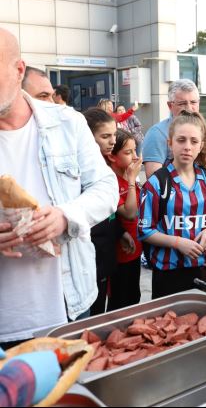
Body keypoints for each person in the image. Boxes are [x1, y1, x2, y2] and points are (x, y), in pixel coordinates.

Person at [0, 28, 118, 349]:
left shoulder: (68, 123)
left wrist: (66, 215)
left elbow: (106, 188)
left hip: (69, 309)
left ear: (18, 70)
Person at [138, 111, 206, 298]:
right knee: (170, 323)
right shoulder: (157, 182)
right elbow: (145, 230)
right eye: (181, 140)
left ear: (201, 145)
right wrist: (178, 243)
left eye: (194, 141)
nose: (187, 147)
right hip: (170, 272)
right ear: (170, 143)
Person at [83, 108, 124, 316]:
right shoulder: (81, 172)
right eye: (105, 136)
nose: (112, 142)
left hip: (106, 255)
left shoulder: (107, 165)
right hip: (91, 258)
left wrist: (121, 233)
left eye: (114, 135)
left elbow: (111, 212)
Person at [142, 79, 206, 180]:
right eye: (182, 103)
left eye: (193, 102)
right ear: (170, 105)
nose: (189, 108)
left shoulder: (203, 131)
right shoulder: (157, 133)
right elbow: (154, 180)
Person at [107, 129, 143, 310]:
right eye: (129, 153)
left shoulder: (127, 175)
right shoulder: (111, 180)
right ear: (113, 157)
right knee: (119, 304)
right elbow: (129, 212)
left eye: (135, 151)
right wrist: (131, 180)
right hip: (119, 255)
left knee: (134, 297)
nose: (135, 157)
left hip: (135, 250)